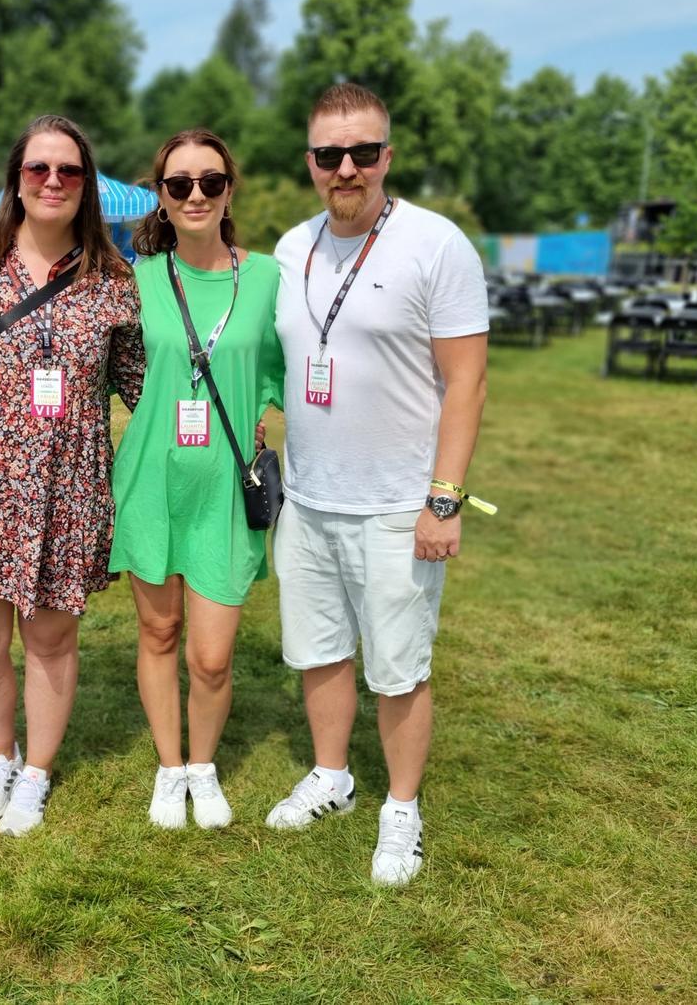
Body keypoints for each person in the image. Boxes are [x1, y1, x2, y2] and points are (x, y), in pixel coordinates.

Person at [266, 83, 489, 886]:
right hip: (311, 496)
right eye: (330, 155)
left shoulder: (435, 245)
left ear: (387, 156)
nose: (347, 168)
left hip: (399, 505)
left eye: (363, 152)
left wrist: (444, 497)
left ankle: (401, 807)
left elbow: (466, 383)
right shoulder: (292, 249)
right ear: (312, 164)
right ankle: (333, 775)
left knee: (399, 666)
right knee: (319, 653)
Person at [0, 114, 144, 837]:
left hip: (67, 488)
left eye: (69, 170)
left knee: (52, 640)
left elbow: (141, 386)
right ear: (17, 181)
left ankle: (36, 774)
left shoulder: (114, 281)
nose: (54, 181)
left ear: (86, 185)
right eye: (39, 169)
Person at [108, 129, 284, 830]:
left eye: (210, 181)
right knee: (158, 634)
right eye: (179, 184)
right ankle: (170, 766)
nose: (196, 195)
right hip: (152, 479)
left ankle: (204, 766)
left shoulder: (267, 277)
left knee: (211, 657)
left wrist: (258, 413)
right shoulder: (136, 278)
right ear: (161, 196)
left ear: (229, 190)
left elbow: (279, 365)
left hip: (223, 489)